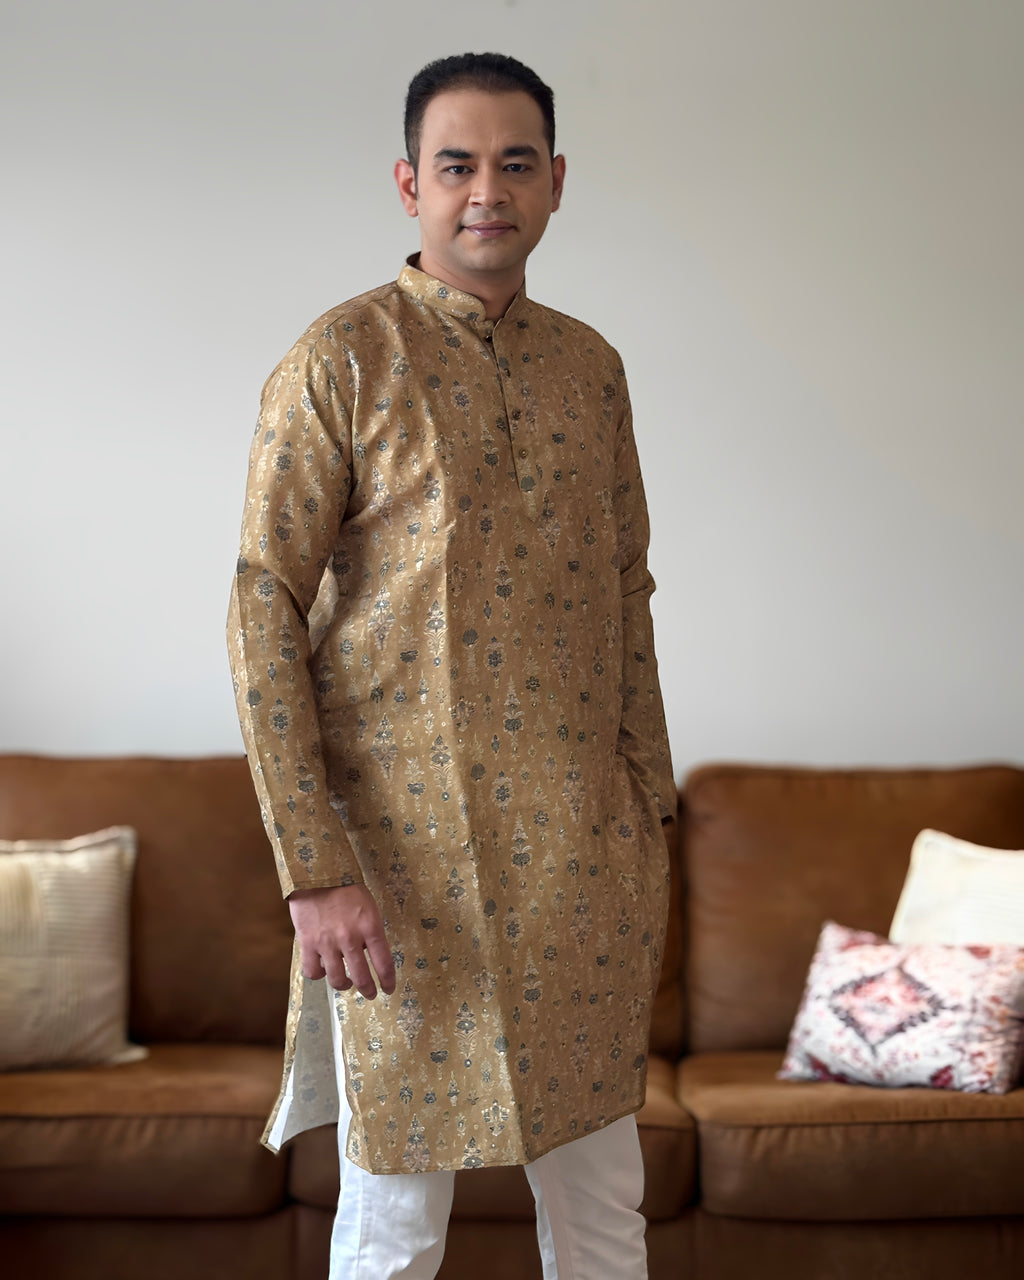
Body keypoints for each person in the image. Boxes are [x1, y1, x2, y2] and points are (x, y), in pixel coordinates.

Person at [227, 51, 675, 1280]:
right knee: (393, 1225)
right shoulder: (343, 358)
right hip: (400, 880)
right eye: (458, 164)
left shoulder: (591, 369)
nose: (488, 190)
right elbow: (263, 598)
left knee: (601, 1215)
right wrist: (313, 867)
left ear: (556, 182)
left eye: (514, 162)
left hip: (584, 864)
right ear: (409, 183)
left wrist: (648, 800)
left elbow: (626, 588)